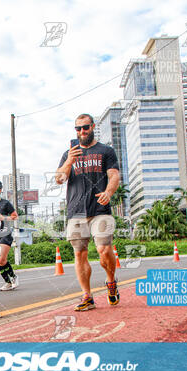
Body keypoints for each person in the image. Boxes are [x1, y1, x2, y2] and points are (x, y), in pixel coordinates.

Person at [55, 113, 120, 311]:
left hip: (100, 209)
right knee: (80, 254)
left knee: (104, 250)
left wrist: (109, 192)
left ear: (93, 127)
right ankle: (87, 296)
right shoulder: (69, 153)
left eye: (85, 127)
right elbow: (59, 179)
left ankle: (111, 282)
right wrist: (69, 161)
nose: (82, 132)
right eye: (78, 129)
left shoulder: (106, 151)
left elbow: (114, 175)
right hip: (76, 211)